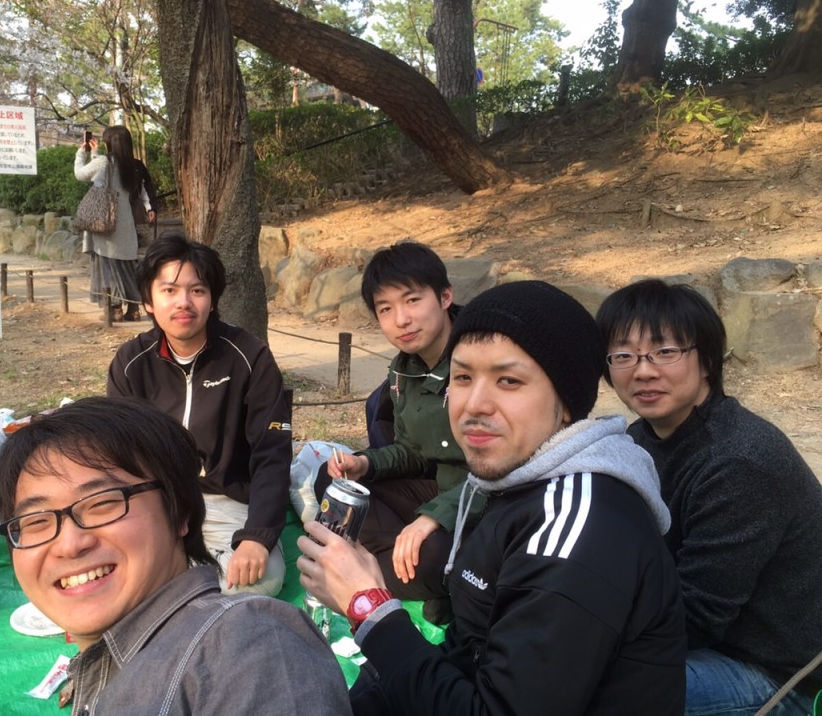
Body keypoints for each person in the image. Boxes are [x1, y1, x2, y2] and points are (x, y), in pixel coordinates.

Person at [298, 280, 687, 715]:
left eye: (508, 380)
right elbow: (469, 648)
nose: (474, 405)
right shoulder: (514, 483)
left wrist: (368, 605)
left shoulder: (578, 528)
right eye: (463, 377)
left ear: (566, 403)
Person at [0, 397, 351, 715]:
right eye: (35, 521)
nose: (69, 544)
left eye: (102, 503)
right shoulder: (107, 666)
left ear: (179, 513)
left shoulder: (248, 646)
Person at [596, 279, 822, 714]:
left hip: (777, 670)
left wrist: (581, 637)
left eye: (665, 351)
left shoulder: (739, 461)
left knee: (591, 689)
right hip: (701, 636)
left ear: (707, 360)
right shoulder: (640, 439)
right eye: (624, 355)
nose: (643, 371)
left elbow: (695, 617)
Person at [107, 234, 291, 596]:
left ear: (212, 299)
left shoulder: (249, 357)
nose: (184, 303)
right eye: (169, 290)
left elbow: (272, 454)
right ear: (148, 301)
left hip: (229, 503)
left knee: (261, 581)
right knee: (113, 577)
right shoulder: (131, 363)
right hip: (158, 501)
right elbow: (119, 455)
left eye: (197, 290)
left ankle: (180, 587)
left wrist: (257, 537)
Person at [314, 242, 477, 623]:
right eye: (385, 309)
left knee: (433, 557)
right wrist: (364, 463)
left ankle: (378, 573)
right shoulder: (404, 369)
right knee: (334, 482)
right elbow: (412, 451)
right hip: (435, 489)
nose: (401, 320)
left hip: (486, 503)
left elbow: (508, 471)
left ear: (445, 296)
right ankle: (407, 569)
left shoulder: (479, 359)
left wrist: (432, 518)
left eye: (412, 300)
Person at [75, 125, 154, 322]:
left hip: (105, 223)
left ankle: (115, 309)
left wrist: (81, 153)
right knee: (126, 266)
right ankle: (133, 309)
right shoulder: (133, 166)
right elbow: (138, 190)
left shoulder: (103, 162)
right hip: (126, 224)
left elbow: (81, 174)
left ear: (110, 143)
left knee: (107, 266)